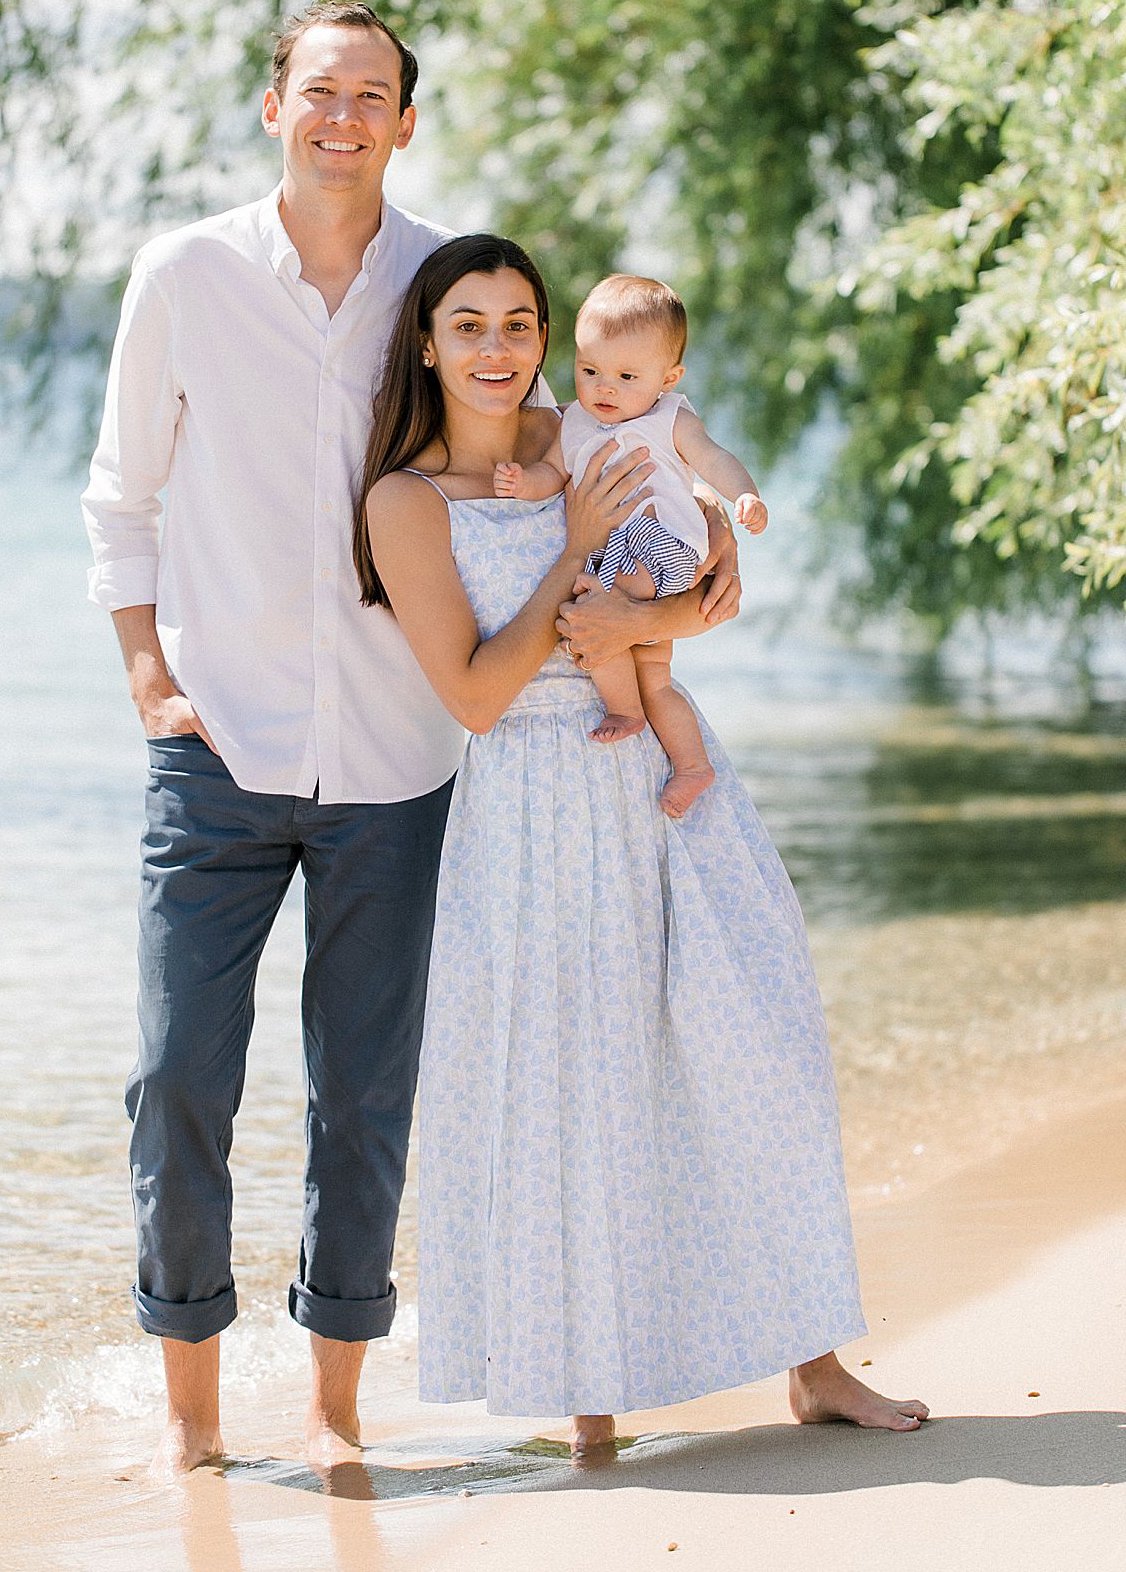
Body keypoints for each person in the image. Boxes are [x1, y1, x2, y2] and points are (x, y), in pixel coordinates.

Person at [81, 0, 743, 1476]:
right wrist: (146, 680)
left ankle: (331, 1417)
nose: (343, 117)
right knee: (180, 1072)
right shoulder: (182, 273)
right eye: (320, 91)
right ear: (275, 107)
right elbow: (123, 493)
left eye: (372, 95)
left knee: (364, 1092)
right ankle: (190, 1424)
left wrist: (696, 558)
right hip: (219, 744)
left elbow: (559, 437)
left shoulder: (441, 281)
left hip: (398, 760)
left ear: (405, 119)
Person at [356, 234, 929, 1453]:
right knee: (579, 1090)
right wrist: (576, 564)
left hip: (661, 780)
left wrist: (664, 592)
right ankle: (590, 1400)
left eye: (518, 325)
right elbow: (470, 696)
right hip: (533, 810)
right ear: (426, 342)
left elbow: (706, 603)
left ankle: (817, 1362)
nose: (497, 348)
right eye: (469, 325)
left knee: (753, 1050)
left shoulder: (587, 434)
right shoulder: (404, 502)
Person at [495, 272, 767, 816]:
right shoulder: (573, 420)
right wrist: (527, 484)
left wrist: (743, 496)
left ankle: (631, 709)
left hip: (663, 541)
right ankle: (685, 760)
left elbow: (713, 460)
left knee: (603, 604)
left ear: (668, 378)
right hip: (612, 547)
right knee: (652, 671)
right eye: (589, 371)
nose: (604, 389)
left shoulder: (671, 420)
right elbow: (555, 471)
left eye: (625, 376)